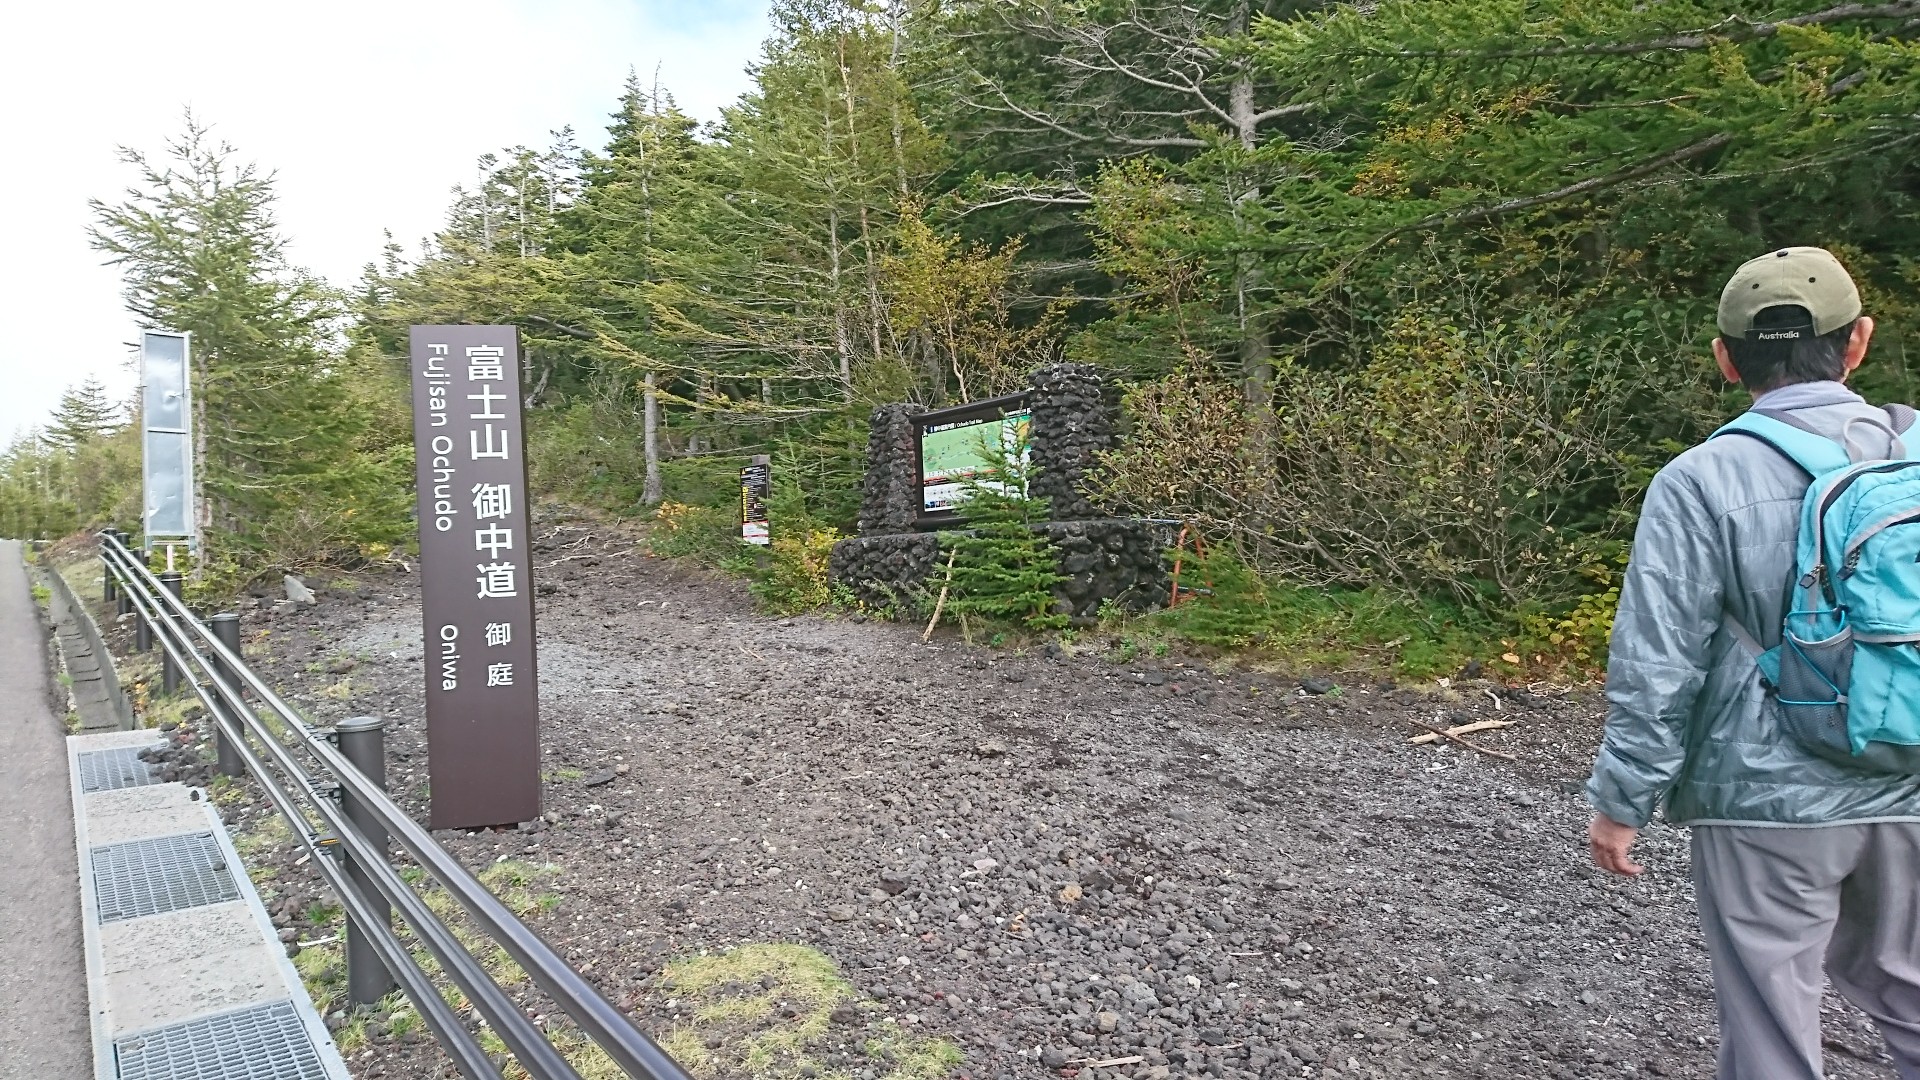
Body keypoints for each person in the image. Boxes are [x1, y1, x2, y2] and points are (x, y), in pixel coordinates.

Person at [1586, 247, 1920, 1079]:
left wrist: (1622, 800)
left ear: (1725, 358)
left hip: (1766, 798)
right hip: (1914, 781)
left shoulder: (1698, 481)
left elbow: (1658, 662)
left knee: (1771, 1022)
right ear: (1860, 343)